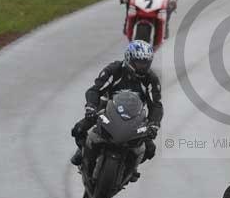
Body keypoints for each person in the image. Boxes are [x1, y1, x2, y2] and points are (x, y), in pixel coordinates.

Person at [70, 40, 163, 175]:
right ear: (128, 58)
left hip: (135, 118)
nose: (142, 66)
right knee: (78, 130)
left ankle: (130, 169)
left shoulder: (151, 79)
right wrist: (90, 107)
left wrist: (154, 124)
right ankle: (83, 152)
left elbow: (156, 105)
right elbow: (94, 90)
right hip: (106, 110)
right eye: (139, 62)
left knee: (150, 149)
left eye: (145, 63)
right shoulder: (114, 70)